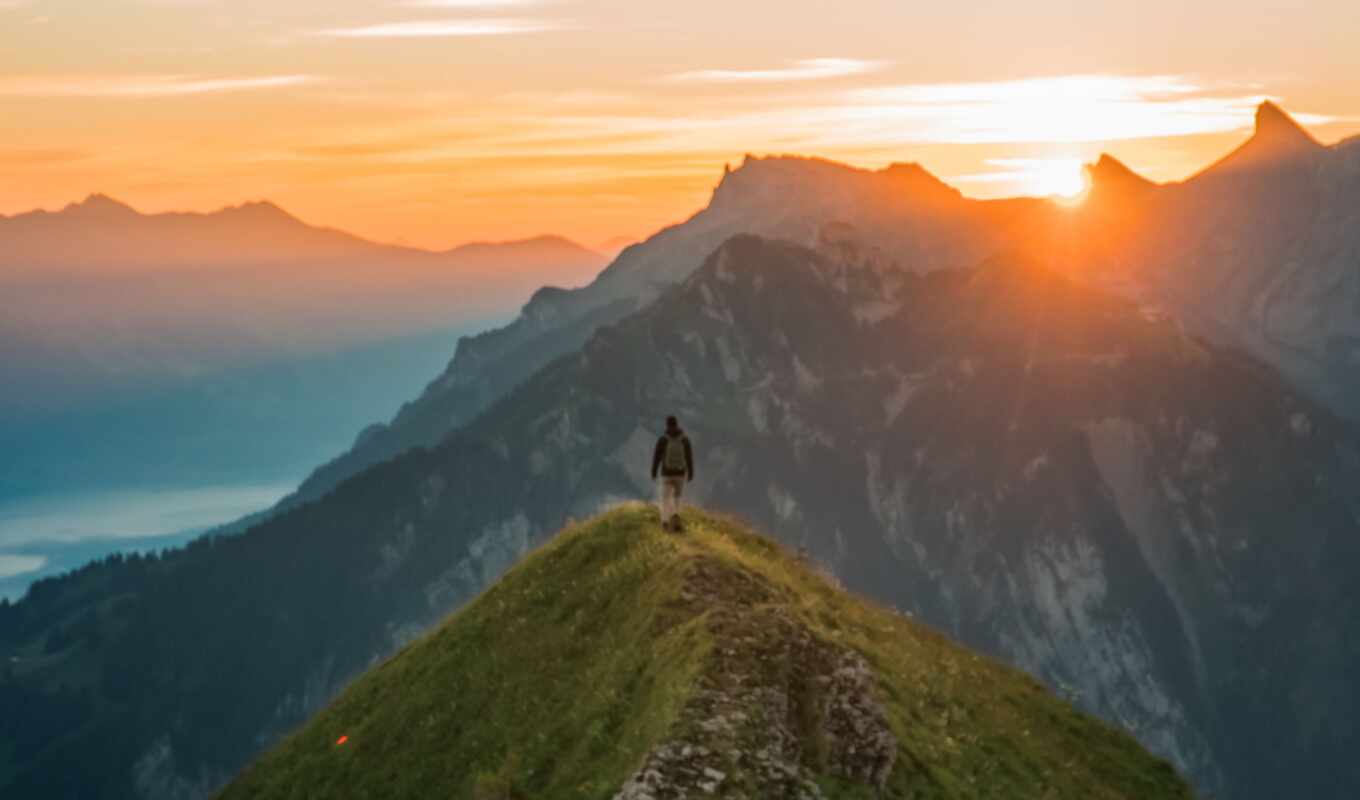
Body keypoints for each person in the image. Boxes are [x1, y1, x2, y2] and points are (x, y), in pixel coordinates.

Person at [650, 415, 694, 531]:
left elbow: (657, 457)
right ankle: (676, 516)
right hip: (680, 473)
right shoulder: (685, 440)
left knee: (665, 498)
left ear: (667, 425)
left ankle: (665, 522)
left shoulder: (663, 439)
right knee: (677, 497)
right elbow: (689, 457)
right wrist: (691, 472)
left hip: (666, 473)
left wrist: (654, 471)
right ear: (677, 424)